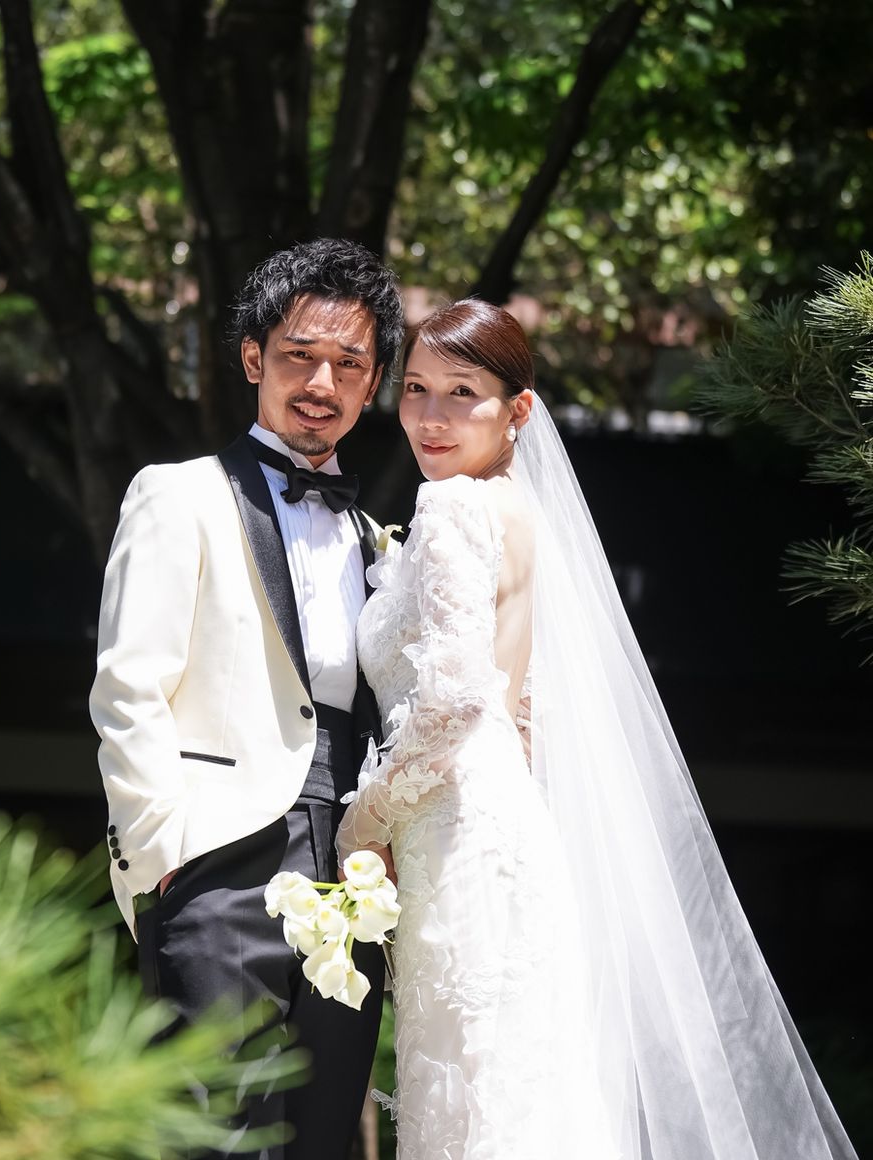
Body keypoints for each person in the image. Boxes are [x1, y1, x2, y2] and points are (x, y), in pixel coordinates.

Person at [338, 299, 858, 1160]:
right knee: (516, 1096)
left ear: (517, 409)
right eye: (416, 388)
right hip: (505, 831)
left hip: (456, 834)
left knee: (476, 1105)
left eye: (462, 393)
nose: (430, 416)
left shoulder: (454, 507)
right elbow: (521, 711)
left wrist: (363, 823)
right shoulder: (523, 512)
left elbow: (456, 703)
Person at [90, 237, 405, 1159]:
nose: (322, 382)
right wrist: (166, 859)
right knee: (212, 1137)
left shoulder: (378, 541)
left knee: (322, 1138)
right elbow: (128, 687)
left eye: (350, 363)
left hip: (351, 869)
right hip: (216, 862)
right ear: (253, 358)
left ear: (373, 381)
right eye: (300, 355)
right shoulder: (177, 495)